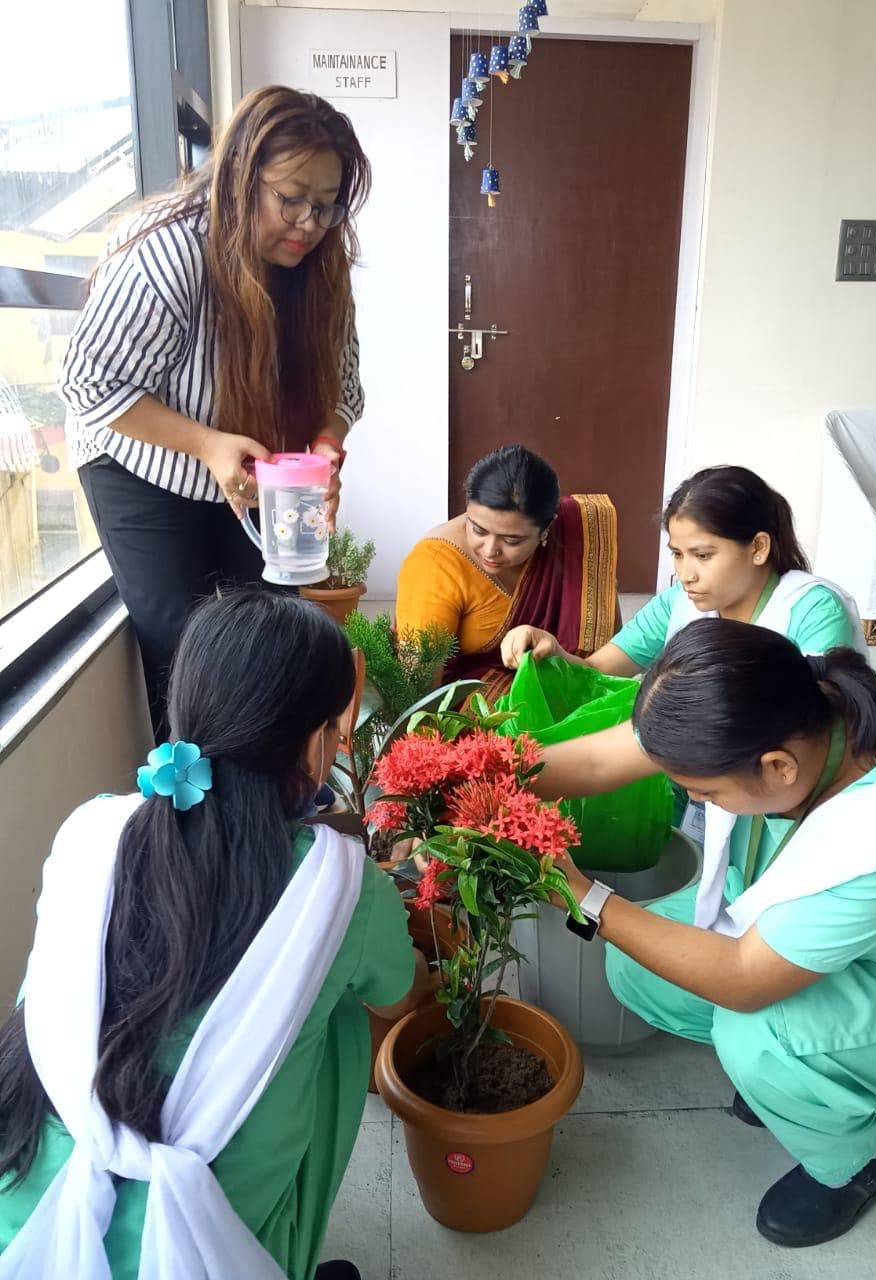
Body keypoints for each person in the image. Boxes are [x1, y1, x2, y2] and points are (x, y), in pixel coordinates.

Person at [0, 590, 433, 1279]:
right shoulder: (340, 888)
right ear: (319, 743)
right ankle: (287, 1241)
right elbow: (399, 998)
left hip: (25, 1222)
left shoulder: (90, 829)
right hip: (209, 1250)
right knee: (341, 1020)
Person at [550, 620, 876, 1246]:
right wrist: (463, 779)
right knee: (638, 963)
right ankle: (805, 1084)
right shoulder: (786, 703)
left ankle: (858, 1159)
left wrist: (584, 898)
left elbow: (743, 981)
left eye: (702, 792)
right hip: (841, 943)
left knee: (752, 1034)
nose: (693, 798)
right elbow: (600, 758)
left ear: (776, 767)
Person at [59, 86, 370, 737]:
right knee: (186, 648)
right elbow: (91, 383)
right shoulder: (167, 255)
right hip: (140, 461)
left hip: (258, 469)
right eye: (291, 199)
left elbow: (344, 389)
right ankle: (191, 820)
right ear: (239, 178)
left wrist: (322, 452)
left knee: (275, 635)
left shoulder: (320, 266)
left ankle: (273, 798)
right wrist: (204, 444)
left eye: (326, 205)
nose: (310, 224)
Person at [502, 464, 863, 675]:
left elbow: (820, 716)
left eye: (703, 556)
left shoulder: (812, 611)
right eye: (678, 554)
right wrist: (552, 650)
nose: (686, 574)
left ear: (758, 548)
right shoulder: (679, 603)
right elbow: (598, 673)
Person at [395, 444, 619, 698]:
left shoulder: (577, 534)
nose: (490, 550)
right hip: (469, 701)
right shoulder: (435, 564)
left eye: (512, 541)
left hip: (570, 682)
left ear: (546, 530)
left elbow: (610, 650)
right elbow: (417, 687)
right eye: (478, 530)